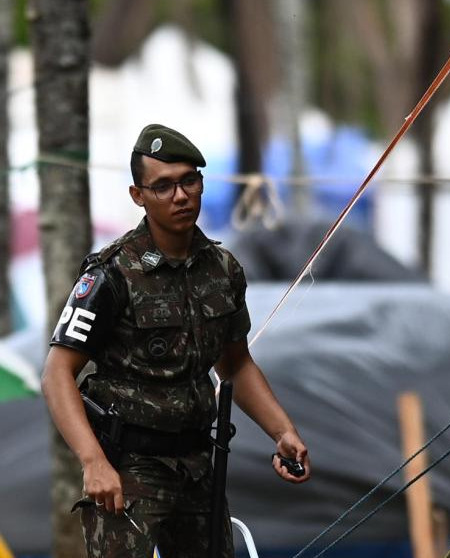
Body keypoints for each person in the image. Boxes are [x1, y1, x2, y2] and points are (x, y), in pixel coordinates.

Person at [42, 124, 311, 557]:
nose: (181, 196)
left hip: (197, 465)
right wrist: (93, 462)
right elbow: (57, 374)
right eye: (163, 186)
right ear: (138, 195)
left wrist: (282, 431)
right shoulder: (111, 275)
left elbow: (236, 364)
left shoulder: (222, 269)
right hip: (127, 470)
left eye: (189, 181)